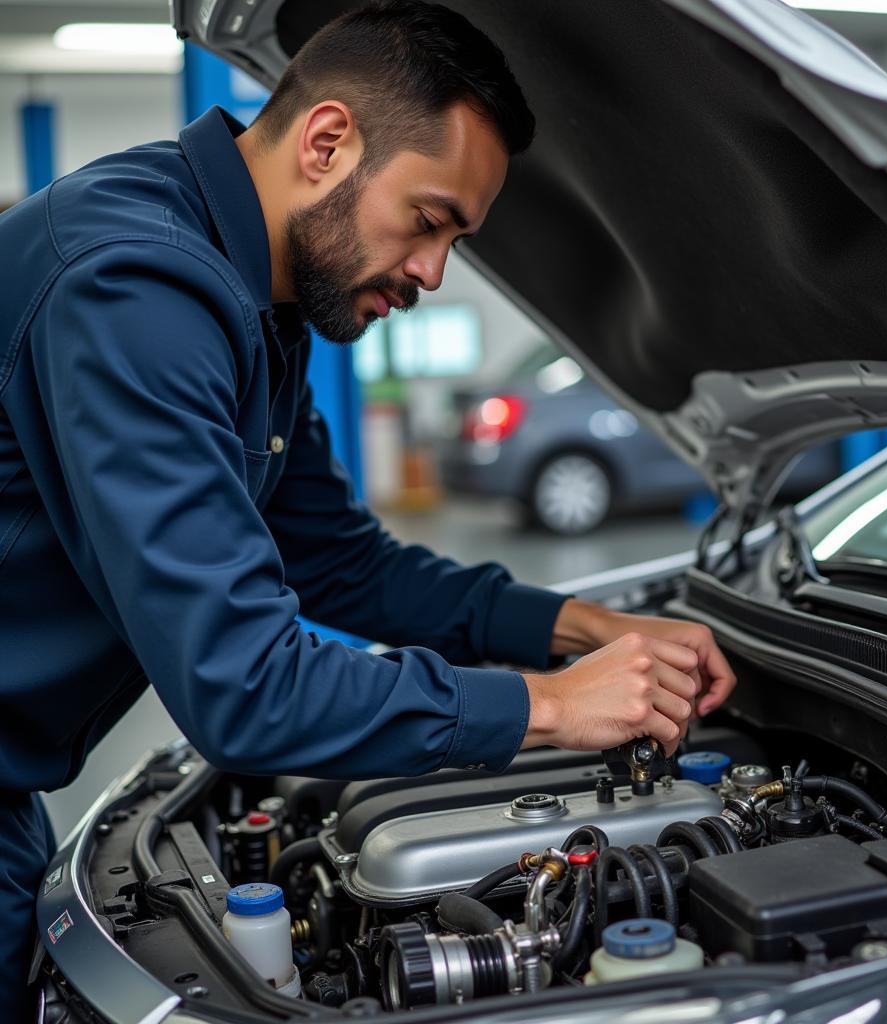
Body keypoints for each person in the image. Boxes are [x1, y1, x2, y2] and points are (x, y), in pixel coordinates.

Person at [0, 1, 736, 1015]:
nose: (434, 272)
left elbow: (344, 563)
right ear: (328, 141)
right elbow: (246, 688)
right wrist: (552, 705)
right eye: (430, 221)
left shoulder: (262, 300)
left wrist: (584, 628)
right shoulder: (134, 288)